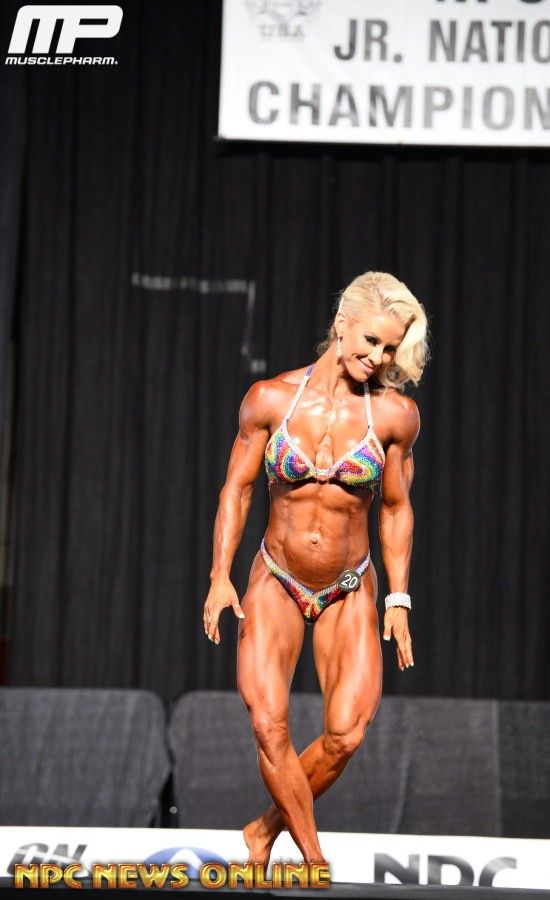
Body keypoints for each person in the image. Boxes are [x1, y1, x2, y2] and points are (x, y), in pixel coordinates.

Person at [203, 271, 429, 867]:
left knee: (347, 732)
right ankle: (313, 859)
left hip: (349, 586)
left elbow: (397, 509)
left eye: (390, 348)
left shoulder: (395, 416)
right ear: (341, 324)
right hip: (277, 578)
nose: (378, 357)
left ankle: (263, 831)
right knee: (269, 724)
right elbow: (237, 490)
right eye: (372, 341)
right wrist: (220, 576)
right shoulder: (270, 399)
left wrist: (398, 599)